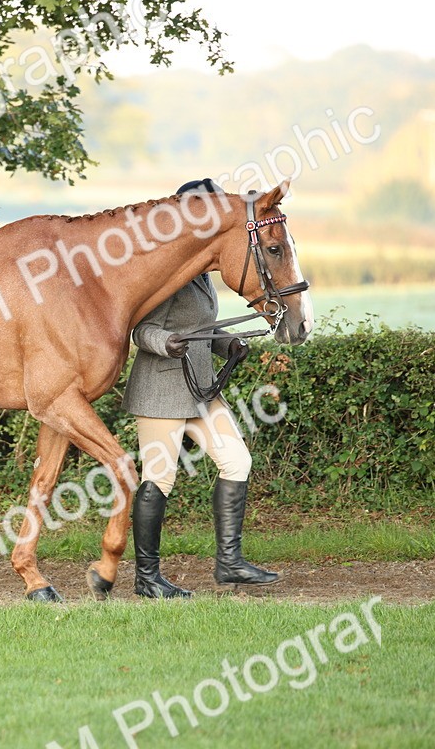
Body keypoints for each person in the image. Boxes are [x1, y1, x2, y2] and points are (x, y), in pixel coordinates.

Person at [120, 178, 279, 599]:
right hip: (161, 390)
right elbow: (141, 329)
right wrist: (164, 343)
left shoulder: (202, 271)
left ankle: (229, 562)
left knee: (236, 460)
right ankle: (146, 578)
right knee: (160, 478)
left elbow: (199, 327)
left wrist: (227, 343)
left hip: (201, 389)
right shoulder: (165, 270)